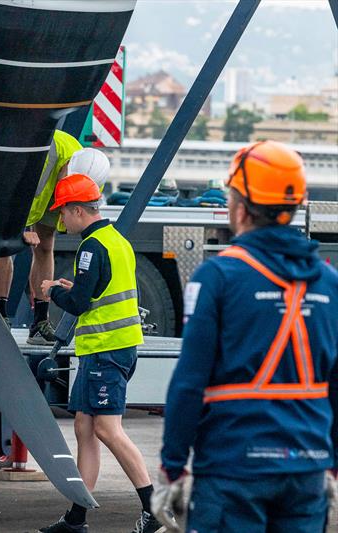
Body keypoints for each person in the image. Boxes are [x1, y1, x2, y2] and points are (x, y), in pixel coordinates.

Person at [151, 140, 338, 533]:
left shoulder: (218, 277)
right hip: (307, 467)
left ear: (240, 205)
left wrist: (172, 464)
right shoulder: (328, 281)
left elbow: (190, 381)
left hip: (233, 467)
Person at [38, 174, 161, 533]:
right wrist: (73, 287)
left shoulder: (91, 247)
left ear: (78, 210)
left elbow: (78, 304)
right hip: (108, 349)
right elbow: (98, 291)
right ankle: (77, 518)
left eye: (63, 213)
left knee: (107, 430)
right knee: (84, 427)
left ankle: (153, 508)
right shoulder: (116, 241)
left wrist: (51, 292)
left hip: (106, 350)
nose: (61, 221)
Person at [0, 132, 110, 346]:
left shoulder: (92, 175)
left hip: (52, 193)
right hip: (22, 189)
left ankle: (39, 323)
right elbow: (10, 200)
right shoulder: (43, 156)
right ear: (68, 167)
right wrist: (18, 231)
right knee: (4, 244)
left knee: (46, 246)